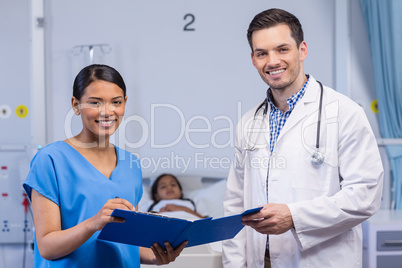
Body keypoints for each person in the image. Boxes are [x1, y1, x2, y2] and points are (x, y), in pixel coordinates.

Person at [222, 8, 384, 268]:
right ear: (253, 59)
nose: (272, 61)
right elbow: (234, 204)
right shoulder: (248, 123)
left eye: (282, 49)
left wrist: (295, 216)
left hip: (320, 260)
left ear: (302, 50)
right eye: (262, 53)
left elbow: (365, 195)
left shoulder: (345, 112)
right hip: (259, 261)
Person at [23, 64, 186, 267]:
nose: (107, 112)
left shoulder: (131, 164)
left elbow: (128, 242)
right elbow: (47, 246)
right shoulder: (50, 160)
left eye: (116, 102)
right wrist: (94, 223)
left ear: (125, 103)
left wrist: (157, 256)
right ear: (75, 105)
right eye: (95, 102)